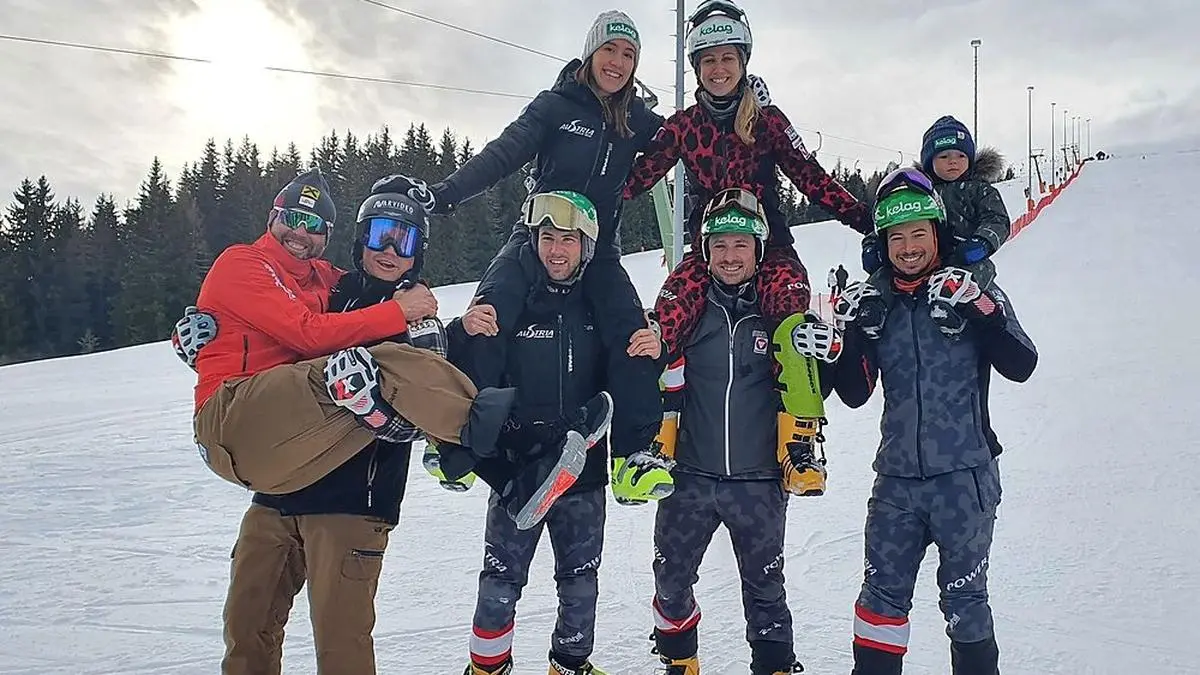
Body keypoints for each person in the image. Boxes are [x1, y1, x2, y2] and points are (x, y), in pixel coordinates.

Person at [182, 169, 611, 535]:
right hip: (267, 462)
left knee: (260, 626)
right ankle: (516, 460)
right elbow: (303, 333)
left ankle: (514, 467)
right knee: (379, 362)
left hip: (340, 489)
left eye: (402, 241)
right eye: (378, 236)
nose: (300, 233)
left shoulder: (326, 282)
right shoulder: (307, 280)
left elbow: (418, 405)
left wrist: (453, 331)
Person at [620, 0, 870, 495]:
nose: (718, 69)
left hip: (769, 247)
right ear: (696, 66)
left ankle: (799, 448)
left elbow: (812, 178)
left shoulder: (769, 121)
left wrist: (869, 223)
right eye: (708, 59)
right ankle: (656, 443)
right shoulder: (684, 125)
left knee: (791, 319)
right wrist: (582, 202)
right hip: (708, 252)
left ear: (743, 62)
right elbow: (636, 178)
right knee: (666, 318)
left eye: (727, 58)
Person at [441, 191, 674, 675]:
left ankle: (570, 664)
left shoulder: (599, 305)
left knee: (580, 580)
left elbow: (629, 371)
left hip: (581, 471)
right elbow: (464, 372)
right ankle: (487, 668)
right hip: (519, 468)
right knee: (501, 579)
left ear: (586, 246)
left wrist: (659, 348)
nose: (556, 251)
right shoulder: (513, 301)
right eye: (547, 238)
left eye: (568, 240)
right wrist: (460, 331)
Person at [375, 10, 662, 398]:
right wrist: (443, 194)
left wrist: (743, 108)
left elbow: (689, 137)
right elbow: (503, 154)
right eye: (609, 49)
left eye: (629, 54)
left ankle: (636, 452)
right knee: (486, 317)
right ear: (591, 53)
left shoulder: (636, 118)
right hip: (535, 239)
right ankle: (463, 436)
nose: (618, 62)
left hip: (600, 250)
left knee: (635, 335)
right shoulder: (555, 107)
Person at [822, 175, 1037, 675]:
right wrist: (848, 334)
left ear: (938, 234)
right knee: (879, 605)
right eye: (895, 237)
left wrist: (980, 308)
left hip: (964, 476)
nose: (908, 247)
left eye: (918, 233)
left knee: (965, 606)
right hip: (896, 482)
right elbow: (855, 394)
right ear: (882, 244)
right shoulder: (877, 301)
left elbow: (1022, 364)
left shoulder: (973, 289)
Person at [650, 193, 843, 675]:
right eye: (719, 245)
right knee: (671, 580)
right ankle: (680, 663)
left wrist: (829, 346)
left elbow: (820, 383)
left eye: (741, 244)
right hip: (690, 476)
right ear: (706, 250)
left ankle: (775, 665)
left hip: (759, 478)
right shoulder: (690, 313)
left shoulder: (778, 315)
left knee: (764, 586)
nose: (730, 255)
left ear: (758, 250)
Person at [861, 116, 1010, 288]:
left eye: (961, 155)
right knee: (884, 277)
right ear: (929, 161)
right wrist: (873, 245)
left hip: (964, 258)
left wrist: (983, 242)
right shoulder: (918, 192)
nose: (953, 161)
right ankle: (871, 305)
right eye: (944, 156)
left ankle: (979, 307)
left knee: (978, 276)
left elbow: (997, 220)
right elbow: (892, 219)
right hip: (922, 261)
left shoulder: (980, 190)